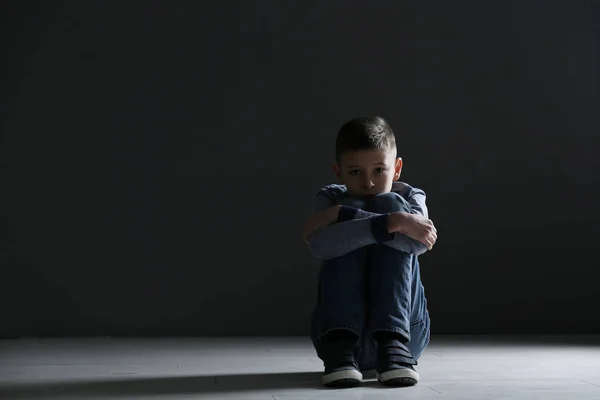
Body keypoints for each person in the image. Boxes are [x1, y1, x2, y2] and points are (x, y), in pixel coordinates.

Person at [301, 116, 437, 388]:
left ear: (396, 169)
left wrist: (343, 215)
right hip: (338, 341)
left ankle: (391, 339)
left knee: (390, 202)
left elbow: (417, 244)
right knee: (376, 213)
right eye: (355, 172)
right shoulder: (330, 198)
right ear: (338, 172)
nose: (369, 183)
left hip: (405, 337)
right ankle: (341, 342)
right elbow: (320, 245)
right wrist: (393, 222)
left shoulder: (412, 197)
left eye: (378, 170)